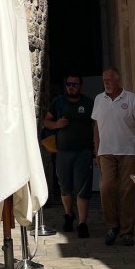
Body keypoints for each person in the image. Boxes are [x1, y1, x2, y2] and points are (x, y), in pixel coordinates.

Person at [92, 67, 135, 246]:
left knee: (126, 190)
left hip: (128, 152)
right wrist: (97, 151)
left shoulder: (130, 99)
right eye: (104, 80)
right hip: (106, 152)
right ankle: (112, 225)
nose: (106, 83)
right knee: (106, 187)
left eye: (109, 80)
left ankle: (126, 231)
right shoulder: (99, 99)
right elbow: (96, 128)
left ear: (118, 80)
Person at [42, 75, 94, 237]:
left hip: (83, 152)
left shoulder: (88, 103)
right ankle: (68, 214)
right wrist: (56, 124)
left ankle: (82, 224)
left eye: (75, 84)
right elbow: (46, 121)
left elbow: (96, 124)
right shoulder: (58, 102)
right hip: (63, 152)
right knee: (65, 187)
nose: (71, 87)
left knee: (83, 188)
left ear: (81, 86)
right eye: (69, 84)